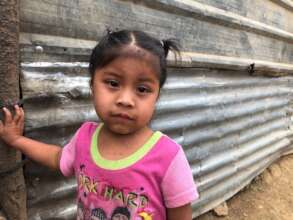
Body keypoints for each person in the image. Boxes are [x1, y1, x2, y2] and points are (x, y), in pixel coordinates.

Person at [0, 29, 198, 219]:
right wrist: (16, 140)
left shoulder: (168, 156)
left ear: (156, 97)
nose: (126, 100)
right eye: (113, 83)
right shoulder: (85, 137)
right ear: (92, 86)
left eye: (142, 89)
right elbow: (56, 157)